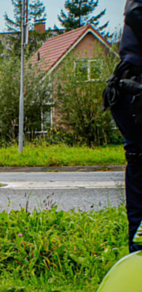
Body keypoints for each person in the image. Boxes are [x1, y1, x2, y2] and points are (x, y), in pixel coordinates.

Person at [106, 1, 142, 252]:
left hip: (129, 88)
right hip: (134, 90)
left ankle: (137, 251)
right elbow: (135, 12)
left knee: (139, 163)